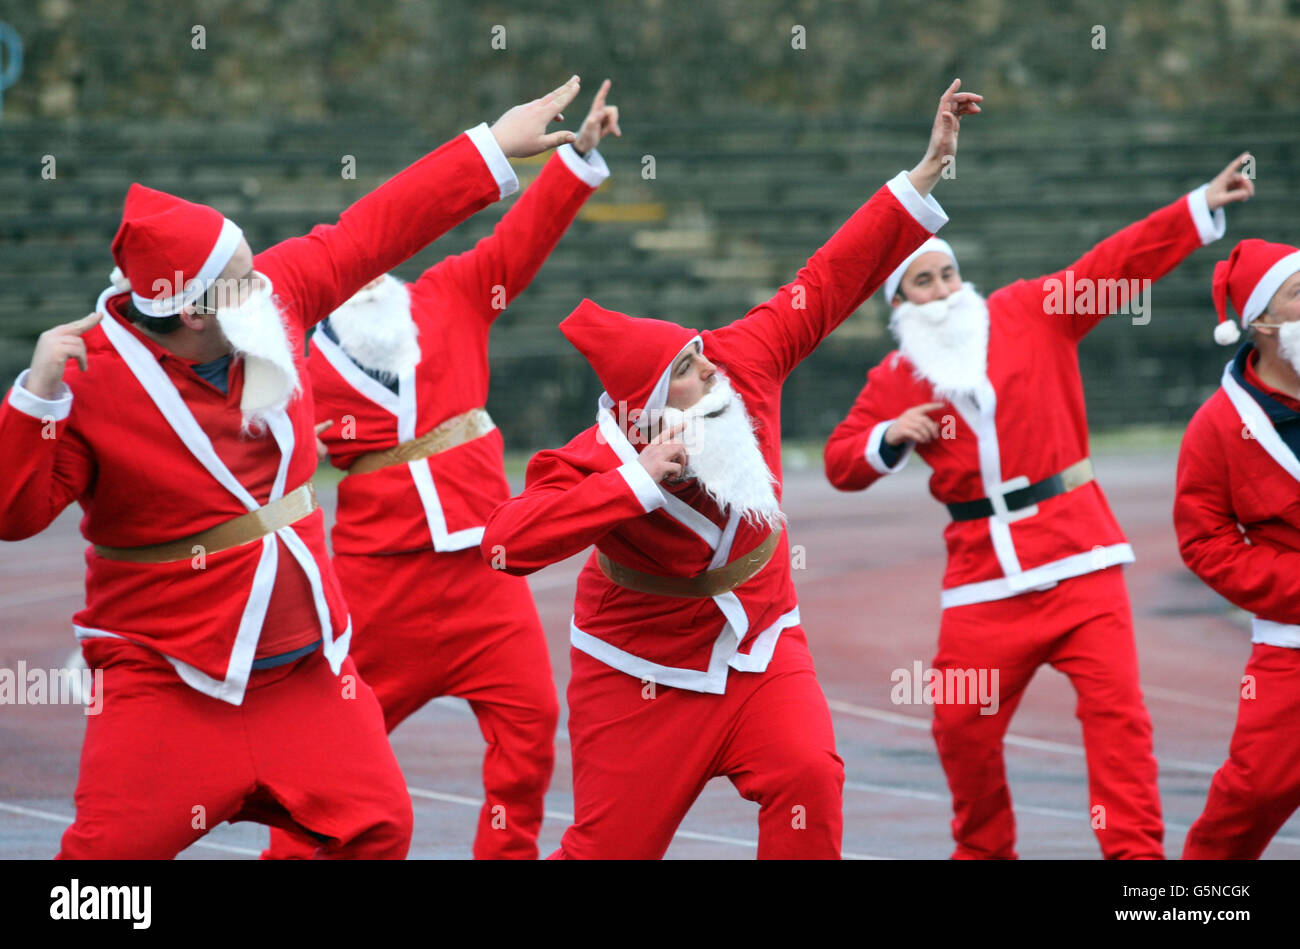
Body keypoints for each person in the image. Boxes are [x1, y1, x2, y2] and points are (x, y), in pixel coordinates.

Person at [0, 76, 588, 859]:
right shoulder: (87, 380)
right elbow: (15, 515)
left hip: (305, 675)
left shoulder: (270, 296)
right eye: (242, 274)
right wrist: (34, 397)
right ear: (194, 310)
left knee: (378, 827)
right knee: (98, 879)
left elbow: (371, 230)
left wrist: (491, 146)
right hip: (166, 681)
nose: (264, 279)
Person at [481, 81, 980, 859]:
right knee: (608, 847)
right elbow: (505, 545)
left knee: (811, 778)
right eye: (686, 369)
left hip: (762, 638)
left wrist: (926, 171)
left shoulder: (741, 358)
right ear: (645, 406)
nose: (709, 371)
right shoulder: (600, 455)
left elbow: (833, 275)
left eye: (699, 352)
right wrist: (636, 480)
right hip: (636, 672)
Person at [823, 153, 1254, 859]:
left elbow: (1114, 268)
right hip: (982, 583)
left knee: (1118, 721)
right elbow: (842, 463)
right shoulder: (895, 377)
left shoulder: (1028, 311)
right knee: (960, 727)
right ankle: (986, 850)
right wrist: (885, 437)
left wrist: (1195, 207)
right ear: (899, 304)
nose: (940, 290)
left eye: (947, 274)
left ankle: (1136, 859)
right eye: (921, 282)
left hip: (1081, 559)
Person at [264, 80, 620, 861]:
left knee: (530, 723)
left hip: (485, 570)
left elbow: (515, 244)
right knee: (335, 748)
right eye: (348, 271)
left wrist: (579, 159)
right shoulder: (293, 359)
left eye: (374, 263)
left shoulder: (449, 296)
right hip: (379, 580)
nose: (366, 276)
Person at [1175, 237, 1300, 859]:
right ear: (1262, 323)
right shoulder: (1217, 427)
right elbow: (1205, 542)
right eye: (1299, 294)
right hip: (1291, 652)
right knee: (1249, 798)